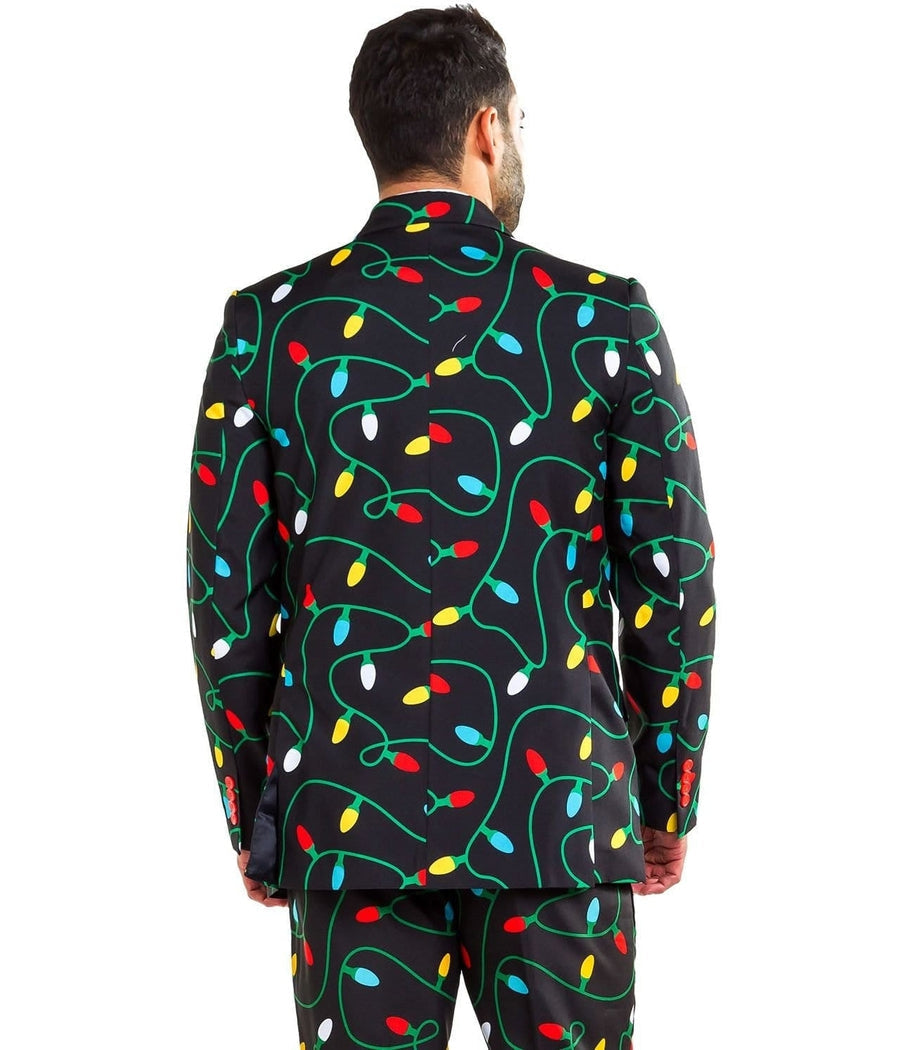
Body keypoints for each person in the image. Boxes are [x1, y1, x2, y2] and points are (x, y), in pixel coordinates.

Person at [185, 5, 715, 1047]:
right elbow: (674, 579)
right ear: (486, 129)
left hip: (349, 824)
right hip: (559, 816)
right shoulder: (602, 318)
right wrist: (666, 794)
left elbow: (227, 593)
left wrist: (260, 810)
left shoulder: (271, 325)